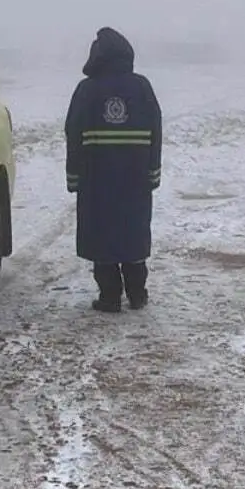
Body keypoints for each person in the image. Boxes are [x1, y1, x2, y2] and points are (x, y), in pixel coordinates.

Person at [64, 27, 162, 312]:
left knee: (101, 236)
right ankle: (137, 293)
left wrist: (74, 177)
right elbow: (156, 132)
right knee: (133, 234)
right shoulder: (142, 87)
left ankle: (109, 296)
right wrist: (153, 173)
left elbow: (73, 134)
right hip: (135, 180)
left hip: (97, 181)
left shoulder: (87, 90)